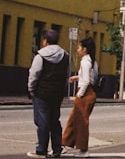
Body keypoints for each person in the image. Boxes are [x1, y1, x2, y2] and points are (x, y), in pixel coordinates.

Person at [27, 28, 70, 159]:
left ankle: (41, 149)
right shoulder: (65, 56)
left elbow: (34, 74)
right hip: (57, 93)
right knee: (54, 120)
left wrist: (31, 89)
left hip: (42, 93)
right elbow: (67, 75)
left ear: (45, 41)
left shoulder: (40, 56)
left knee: (42, 121)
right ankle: (57, 148)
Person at [62, 36, 98, 158]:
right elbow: (90, 78)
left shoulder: (85, 61)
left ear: (85, 49)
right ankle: (63, 144)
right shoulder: (92, 61)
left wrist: (80, 94)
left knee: (81, 122)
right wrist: (76, 77)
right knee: (73, 120)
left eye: (79, 47)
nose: (78, 50)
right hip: (89, 92)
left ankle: (83, 149)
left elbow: (87, 80)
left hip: (85, 94)